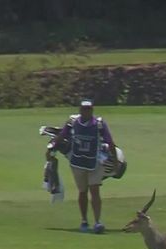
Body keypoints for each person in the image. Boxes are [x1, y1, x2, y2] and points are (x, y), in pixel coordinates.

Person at [47, 99, 118, 234]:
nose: (86, 111)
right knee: (83, 192)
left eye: (89, 109)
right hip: (77, 162)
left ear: (92, 110)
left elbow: (109, 141)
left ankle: (97, 222)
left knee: (95, 190)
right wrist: (51, 149)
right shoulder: (72, 122)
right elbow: (62, 136)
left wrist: (113, 159)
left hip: (95, 162)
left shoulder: (99, 124)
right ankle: (84, 221)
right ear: (80, 110)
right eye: (84, 109)